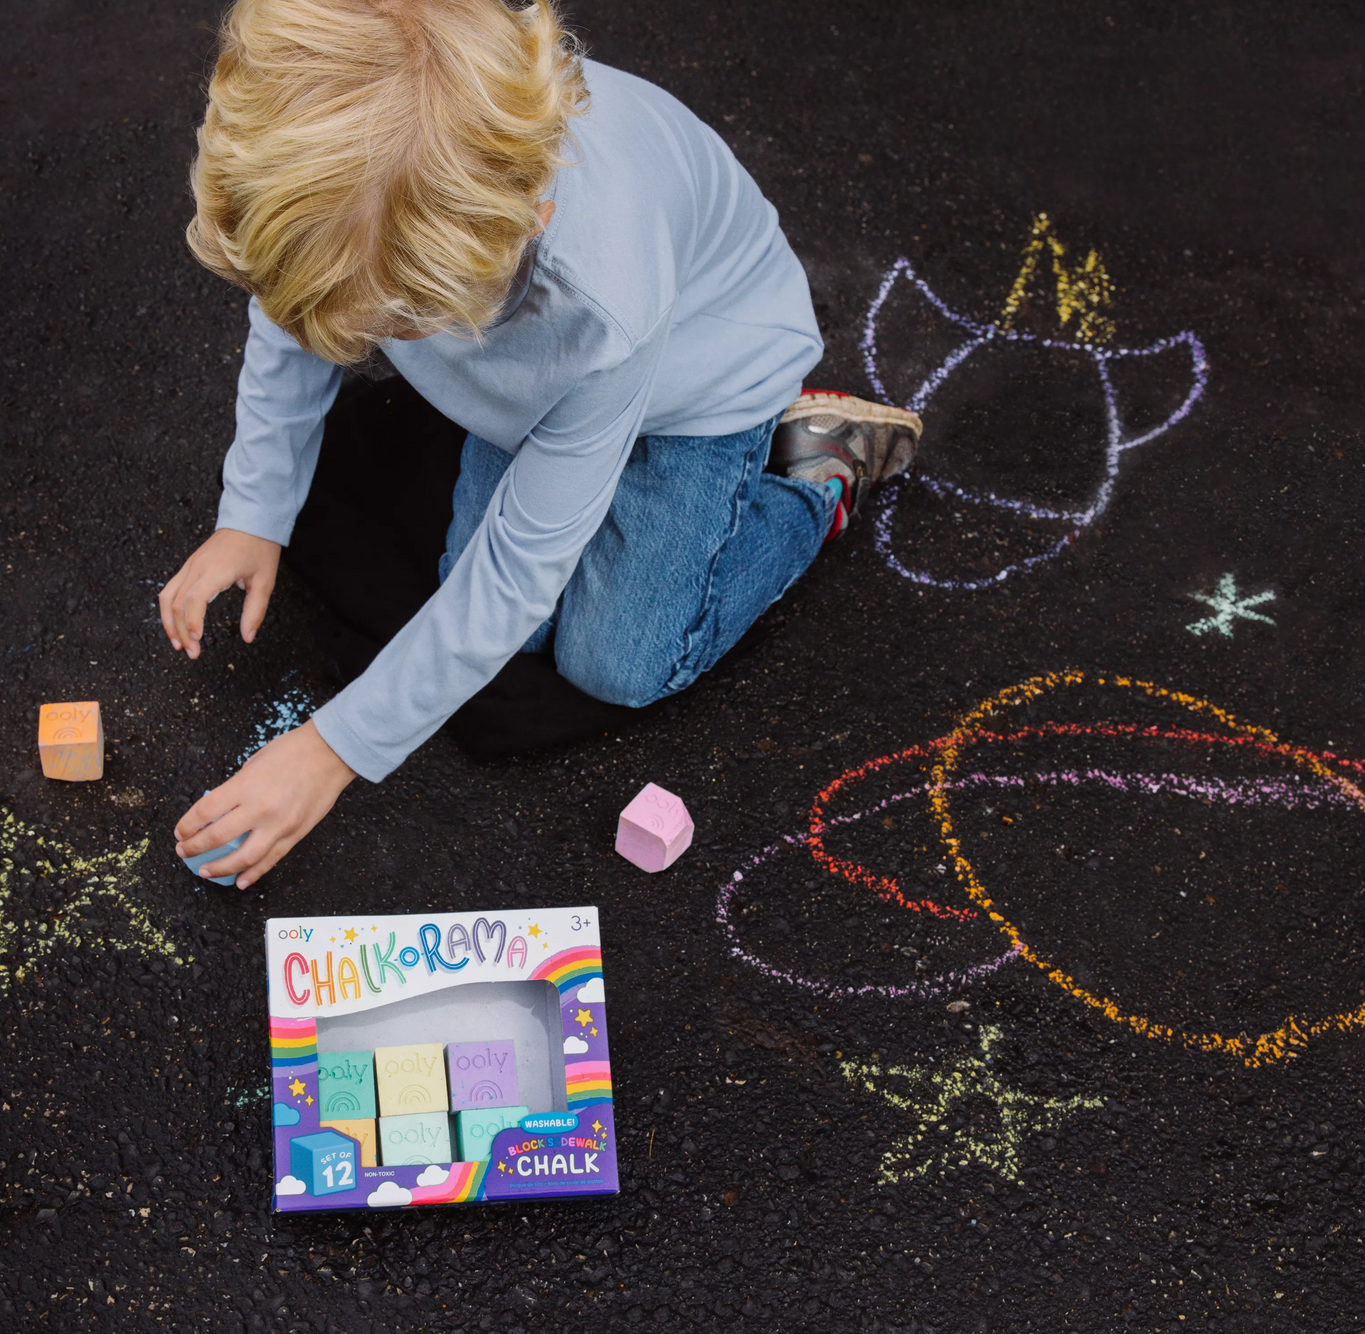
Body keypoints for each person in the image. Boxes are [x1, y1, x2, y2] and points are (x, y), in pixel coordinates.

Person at [161, 0, 920, 888]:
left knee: (622, 662)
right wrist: (253, 513)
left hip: (703, 384)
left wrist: (332, 750)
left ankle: (812, 476)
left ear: (523, 227)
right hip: (541, 389)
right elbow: (292, 311)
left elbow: (520, 570)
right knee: (494, 636)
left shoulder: (597, 296)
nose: (345, 345)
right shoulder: (361, 185)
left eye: (382, 325)